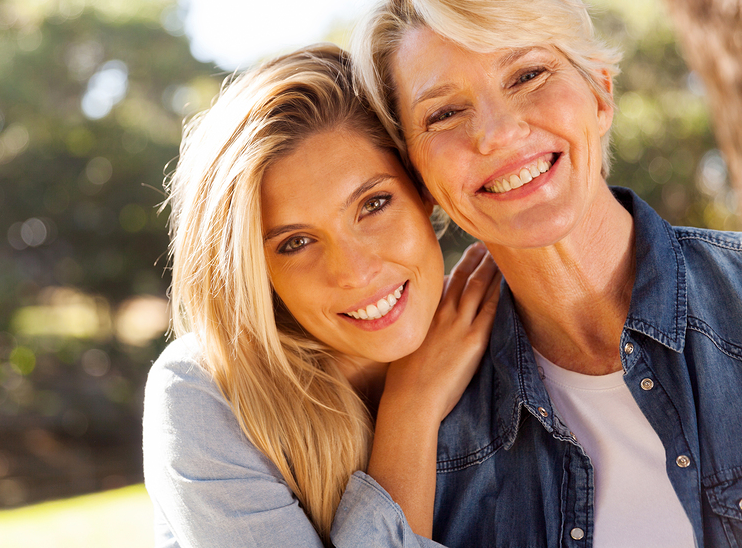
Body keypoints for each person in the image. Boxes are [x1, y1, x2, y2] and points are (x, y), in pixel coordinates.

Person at [351, 0, 742, 547]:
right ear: (417, 177)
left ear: (600, 94)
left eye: (528, 75)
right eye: (444, 113)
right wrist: (407, 415)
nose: (497, 132)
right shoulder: (413, 428)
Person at [142, 44, 500, 547]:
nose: (354, 273)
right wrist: (411, 408)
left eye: (373, 204)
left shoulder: (508, 328)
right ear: (255, 271)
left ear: (422, 189)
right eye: (296, 243)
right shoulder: (207, 390)